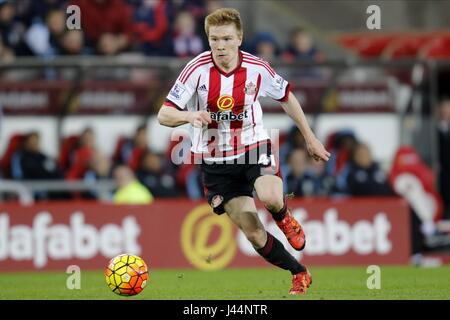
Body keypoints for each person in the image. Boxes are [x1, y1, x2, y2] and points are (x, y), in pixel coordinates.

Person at [157, 8, 330, 295]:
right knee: (254, 233)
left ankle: (284, 217)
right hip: (215, 162)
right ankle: (299, 273)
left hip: (253, 146)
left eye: (226, 38)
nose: (220, 46)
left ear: (239, 38)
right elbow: (164, 115)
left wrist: (310, 138)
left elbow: (287, 97)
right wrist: (190, 116)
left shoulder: (256, 67)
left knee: (271, 197)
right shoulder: (195, 69)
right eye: (214, 39)